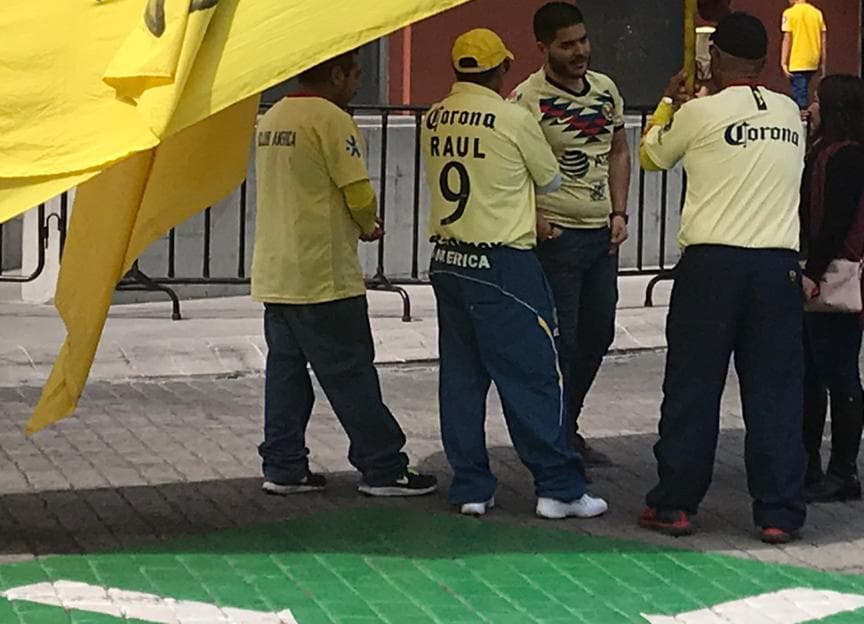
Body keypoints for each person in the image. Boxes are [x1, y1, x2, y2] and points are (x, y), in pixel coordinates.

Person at [635, 12, 807, 545]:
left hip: (712, 266)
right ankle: (778, 510)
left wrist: (669, 102)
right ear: (761, 61)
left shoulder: (699, 112)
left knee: (693, 386)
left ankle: (676, 503)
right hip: (777, 267)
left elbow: (651, 155)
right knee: (775, 393)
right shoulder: (789, 113)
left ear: (719, 59)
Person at [423, 28, 607, 521]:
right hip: (503, 261)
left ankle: (470, 487)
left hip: (449, 259)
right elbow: (549, 178)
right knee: (533, 377)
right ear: (501, 69)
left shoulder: (435, 116)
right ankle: (559, 489)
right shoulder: (512, 116)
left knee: (461, 380)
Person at [251, 52, 437, 498]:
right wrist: (368, 223)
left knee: (286, 375)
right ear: (336, 74)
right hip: (323, 272)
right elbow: (355, 188)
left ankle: (283, 465)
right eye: (354, 75)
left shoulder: (273, 116)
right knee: (350, 371)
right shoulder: (332, 121)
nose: (356, 85)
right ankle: (383, 466)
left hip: (277, 271)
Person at [511, 3, 629, 467]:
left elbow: (619, 149)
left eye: (583, 40)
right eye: (567, 44)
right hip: (556, 238)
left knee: (598, 334)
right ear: (542, 48)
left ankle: (567, 425)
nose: (580, 51)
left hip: (601, 235)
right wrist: (536, 219)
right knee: (563, 341)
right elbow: (512, 167)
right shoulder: (526, 99)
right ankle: (553, 439)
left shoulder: (605, 90)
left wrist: (620, 210)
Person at [798, 75, 864, 504]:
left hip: (839, 274)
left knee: (836, 373)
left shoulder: (848, 158)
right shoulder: (839, 152)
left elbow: (833, 222)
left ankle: (842, 470)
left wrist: (812, 272)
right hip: (836, 270)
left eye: (817, 101)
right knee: (815, 372)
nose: (810, 107)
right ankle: (809, 463)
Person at [780, 0, 826, 109]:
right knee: (804, 89)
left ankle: (803, 119)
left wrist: (783, 62)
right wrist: (823, 63)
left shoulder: (789, 13)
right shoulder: (817, 13)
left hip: (797, 60)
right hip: (813, 59)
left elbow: (787, 38)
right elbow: (823, 40)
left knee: (799, 94)